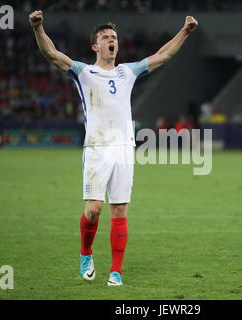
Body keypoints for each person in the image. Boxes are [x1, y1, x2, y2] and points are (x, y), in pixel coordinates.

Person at [29, 10, 198, 286]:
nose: (112, 41)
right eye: (106, 37)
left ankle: (116, 272)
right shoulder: (84, 72)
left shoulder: (127, 72)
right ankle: (86, 252)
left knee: (119, 211)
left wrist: (185, 31)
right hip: (96, 148)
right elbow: (52, 55)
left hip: (123, 148)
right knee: (94, 208)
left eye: (114, 37)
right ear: (95, 46)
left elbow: (163, 55)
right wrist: (38, 28)